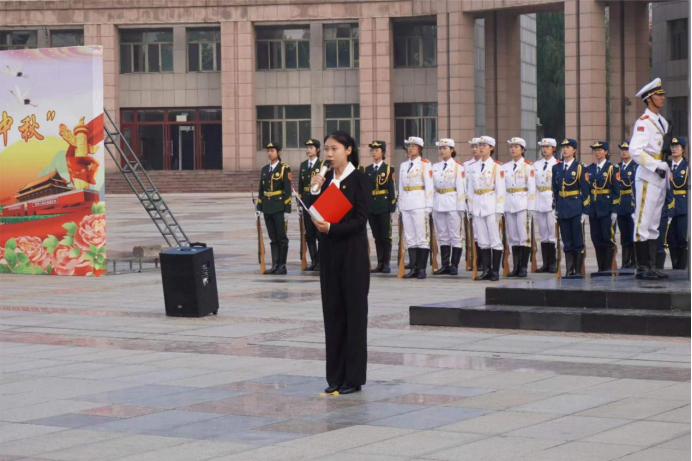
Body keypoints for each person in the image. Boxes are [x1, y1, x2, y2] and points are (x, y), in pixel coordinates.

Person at [310, 131, 370, 395]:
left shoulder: (360, 179)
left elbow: (360, 221)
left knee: (354, 316)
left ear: (348, 150)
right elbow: (314, 214)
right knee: (332, 314)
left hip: (352, 255)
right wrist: (313, 190)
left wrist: (332, 228)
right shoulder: (325, 181)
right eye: (326, 149)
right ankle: (334, 376)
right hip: (329, 254)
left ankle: (353, 378)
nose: (329, 154)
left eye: (334, 149)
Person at [629, 78, 671, 280]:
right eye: (658, 95)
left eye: (662, 95)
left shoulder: (661, 121)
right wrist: (655, 165)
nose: (662, 98)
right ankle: (642, 267)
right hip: (648, 176)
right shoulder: (643, 122)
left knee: (654, 223)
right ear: (648, 99)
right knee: (642, 223)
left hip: (660, 176)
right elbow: (635, 151)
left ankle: (652, 266)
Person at [468, 136, 506, 281]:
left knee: (495, 239)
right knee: (483, 240)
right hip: (477, 205)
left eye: (485, 145)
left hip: (491, 205)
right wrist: (470, 207)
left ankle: (495, 271)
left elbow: (500, 190)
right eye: (480, 145)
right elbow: (470, 189)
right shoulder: (473, 167)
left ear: (491, 148)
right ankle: (486, 270)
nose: (481, 147)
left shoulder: (497, 167)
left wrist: (499, 209)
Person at [553, 139, 590, 278]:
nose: (565, 149)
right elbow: (555, 189)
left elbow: (585, 190)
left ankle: (578, 270)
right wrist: (555, 207)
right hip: (562, 208)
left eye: (568, 147)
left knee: (578, 241)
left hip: (576, 208)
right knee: (566, 240)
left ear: (574, 150)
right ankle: (569, 271)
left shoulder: (580, 167)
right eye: (563, 147)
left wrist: (585, 210)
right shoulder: (556, 168)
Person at [398, 136, 434, 279]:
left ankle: (422, 269)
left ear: (419, 148)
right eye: (409, 146)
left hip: (420, 203)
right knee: (410, 237)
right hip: (406, 203)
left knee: (422, 237)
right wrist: (400, 205)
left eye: (413, 146)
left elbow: (429, 186)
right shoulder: (403, 165)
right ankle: (413, 268)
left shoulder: (425, 164)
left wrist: (428, 206)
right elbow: (401, 186)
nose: (410, 148)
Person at [431, 139, 466, 275]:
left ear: (452, 150)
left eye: (445, 148)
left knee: (455, 235)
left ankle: (454, 265)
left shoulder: (458, 167)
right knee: (443, 235)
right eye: (440, 148)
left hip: (453, 202)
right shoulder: (435, 167)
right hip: (439, 201)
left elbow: (461, 189)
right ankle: (445, 265)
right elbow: (432, 187)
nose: (442, 150)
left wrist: (461, 206)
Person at [585, 141, 620, 273]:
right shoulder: (590, 169)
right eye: (595, 150)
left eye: (600, 149)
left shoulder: (612, 168)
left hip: (606, 208)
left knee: (608, 238)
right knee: (596, 238)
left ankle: (607, 268)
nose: (597, 152)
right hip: (594, 209)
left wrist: (614, 210)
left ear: (606, 152)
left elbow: (617, 191)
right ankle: (600, 268)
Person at [256, 142, 292, 275]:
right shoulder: (265, 169)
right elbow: (261, 189)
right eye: (268, 151)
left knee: (281, 237)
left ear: (279, 152)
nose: (270, 153)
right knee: (273, 238)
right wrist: (259, 207)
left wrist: (287, 209)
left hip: (279, 207)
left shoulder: (284, 168)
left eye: (272, 151)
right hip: (267, 207)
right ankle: (275, 264)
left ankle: (282, 266)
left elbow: (287, 190)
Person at [503, 137, 536, 278]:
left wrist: (530, 207)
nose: (513, 149)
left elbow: (532, 188)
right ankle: (516, 267)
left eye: (516, 147)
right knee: (513, 237)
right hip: (509, 203)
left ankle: (523, 267)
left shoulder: (528, 166)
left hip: (523, 203)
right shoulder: (505, 167)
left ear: (522, 150)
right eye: (511, 146)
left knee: (524, 237)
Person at [365, 141, 397, 273]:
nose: (374, 153)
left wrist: (392, 206)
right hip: (372, 207)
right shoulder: (367, 169)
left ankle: (386, 263)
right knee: (377, 237)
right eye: (372, 150)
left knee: (385, 236)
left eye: (377, 150)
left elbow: (392, 188)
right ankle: (380, 263)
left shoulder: (388, 169)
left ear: (383, 152)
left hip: (384, 205)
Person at [534, 138, 560, 273]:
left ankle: (553, 263)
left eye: (547, 147)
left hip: (551, 198)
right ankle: (545, 263)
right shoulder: (536, 165)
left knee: (552, 233)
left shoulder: (557, 164)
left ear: (553, 149)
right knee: (543, 233)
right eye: (543, 147)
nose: (544, 149)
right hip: (539, 198)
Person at [298, 139, 323, 271]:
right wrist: (299, 203)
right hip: (306, 201)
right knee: (309, 234)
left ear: (317, 150)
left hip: (319, 201)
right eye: (307, 148)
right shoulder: (303, 165)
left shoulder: (322, 164)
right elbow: (301, 186)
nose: (308, 150)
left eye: (311, 147)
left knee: (320, 233)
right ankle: (314, 261)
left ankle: (320, 261)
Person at [666, 137, 688, 270]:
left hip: (682, 206)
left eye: (677, 146)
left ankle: (682, 268)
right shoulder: (665, 166)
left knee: (682, 238)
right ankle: (675, 267)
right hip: (668, 206)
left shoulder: (687, 166)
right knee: (671, 239)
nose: (674, 149)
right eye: (672, 146)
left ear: (683, 149)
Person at [615, 141, 638, 269]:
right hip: (620, 204)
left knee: (632, 233)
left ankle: (634, 261)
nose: (624, 152)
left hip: (631, 203)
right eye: (622, 149)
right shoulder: (617, 167)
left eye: (626, 149)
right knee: (624, 234)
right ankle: (625, 262)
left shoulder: (635, 167)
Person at [464, 138, 483, 272]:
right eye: (473, 147)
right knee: (474, 233)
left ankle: (483, 261)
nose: (475, 149)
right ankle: (476, 260)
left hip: (484, 202)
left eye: (477, 146)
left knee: (484, 233)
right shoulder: (466, 165)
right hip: (471, 201)